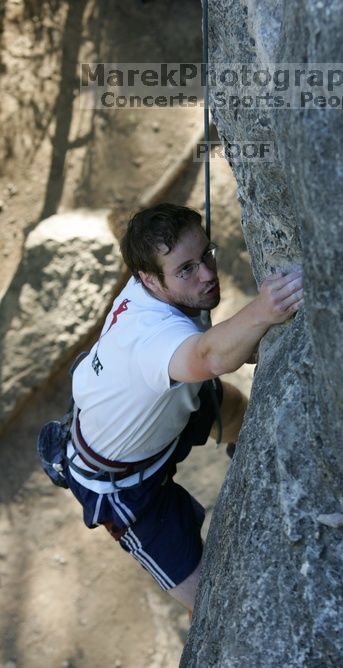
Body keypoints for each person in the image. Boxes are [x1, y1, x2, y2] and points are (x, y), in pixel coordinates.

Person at [62, 203, 303, 612]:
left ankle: (251, 457)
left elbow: (209, 353)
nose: (208, 274)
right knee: (215, 602)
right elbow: (209, 357)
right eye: (186, 269)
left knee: (228, 406)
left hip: (162, 406)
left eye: (206, 254)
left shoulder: (154, 293)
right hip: (123, 482)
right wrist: (265, 310)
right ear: (149, 280)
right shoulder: (151, 336)